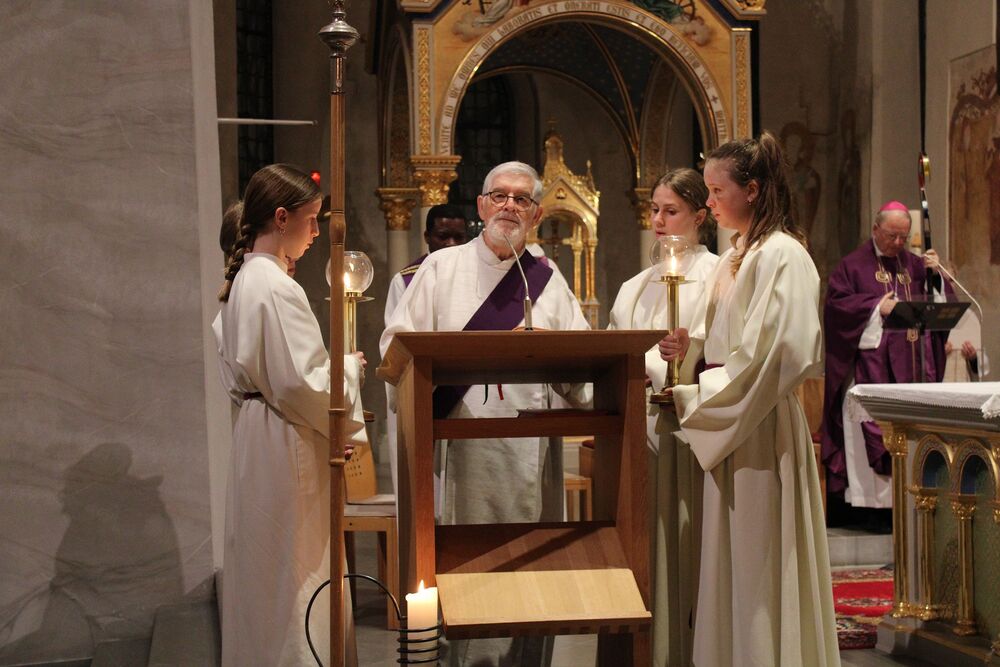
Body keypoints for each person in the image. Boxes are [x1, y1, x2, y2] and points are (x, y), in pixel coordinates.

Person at [380, 161, 590, 666]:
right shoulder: (440, 269)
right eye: (499, 196)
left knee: (526, 564)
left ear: (536, 213)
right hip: (459, 448)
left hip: (527, 452)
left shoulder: (546, 278)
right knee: (466, 567)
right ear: (481, 205)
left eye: (521, 199)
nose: (509, 206)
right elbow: (396, 350)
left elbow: (582, 359)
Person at [659, 132, 840, 666]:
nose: (709, 201)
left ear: (754, 190)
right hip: (732, 417)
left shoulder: (783, 254)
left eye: (717, 191)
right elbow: (727, 341)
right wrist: (690, 350)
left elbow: (778, 352)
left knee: (759, 561)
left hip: (759, 423)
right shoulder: (737, 254)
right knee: (730, 560)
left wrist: (698, 393)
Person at [215, 164, 368, 666]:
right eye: (312, 219)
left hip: (258, 436)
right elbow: (300, 382)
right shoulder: (275, 286)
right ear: (281, 218)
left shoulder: (245, 280)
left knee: (265, 575)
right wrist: (350, 369)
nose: (317, 232)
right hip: (287, 442)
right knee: (297, 574)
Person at [608, 168, 718, 665]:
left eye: (671, 210)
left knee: (690, 541)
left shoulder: (719, 274)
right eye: (654, 209)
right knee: (651, 544)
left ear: (700, 215)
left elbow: (731, 346)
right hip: (645, 428)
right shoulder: (635, 286)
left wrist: (690, 351)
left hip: (696, 428)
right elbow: (618, 346)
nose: (658, 220)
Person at [821, 201, 951, 511]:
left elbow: (940, 310)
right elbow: (836, 308)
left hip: (912, 369)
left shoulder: (916, 265)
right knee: (873, 429)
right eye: (892, 235)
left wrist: (936, 276)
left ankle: (913, 501)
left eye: (904, 236)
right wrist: (876, 307)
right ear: (875, 229)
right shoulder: (853, 266)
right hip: (872, 368)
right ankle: (875, 510)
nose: (898, 242)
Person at [383, 204, 468, 495]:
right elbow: (397, 344)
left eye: (459, 237)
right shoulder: (405, 281)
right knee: (424, 489)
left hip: (466, 390)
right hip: (426, 390)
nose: (451, 244)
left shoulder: (477, 280)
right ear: (427, 237)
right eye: (443, 236)